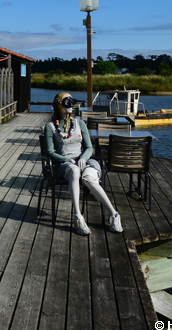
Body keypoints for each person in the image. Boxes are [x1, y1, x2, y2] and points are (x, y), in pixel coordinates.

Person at [44, 92, 123, 235]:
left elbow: (89, 147)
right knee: (74, 171)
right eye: (66, 102)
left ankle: (114, 214)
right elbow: (50, 152)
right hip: (65, 164)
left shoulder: (80, 123)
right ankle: (78, 216)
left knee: (89, 178)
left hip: (84, 161)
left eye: (70, 101)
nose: (70, 105)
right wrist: (67, 160)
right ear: (58, 104)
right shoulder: (50, 127)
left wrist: (83, 158)